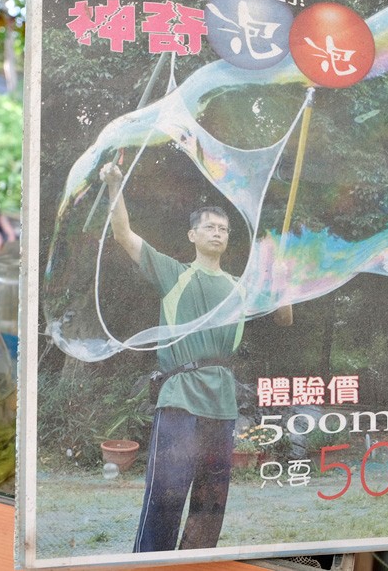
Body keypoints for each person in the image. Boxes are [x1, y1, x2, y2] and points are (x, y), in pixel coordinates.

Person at [99, 161, 291, 553]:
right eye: (210, 227)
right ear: (192, 235)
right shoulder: (173, 273)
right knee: (166, 492)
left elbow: (285, 317)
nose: (218, 233)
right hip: (180, 395)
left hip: (222, 399)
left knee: (211, 498)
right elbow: (122, 234)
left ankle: (196, 560)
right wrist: (115, 185)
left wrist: (282, 274)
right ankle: (149, 562)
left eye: (223, 229)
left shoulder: (242, 288)